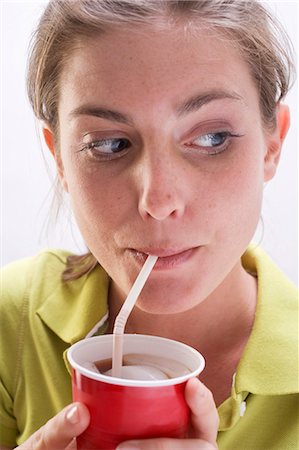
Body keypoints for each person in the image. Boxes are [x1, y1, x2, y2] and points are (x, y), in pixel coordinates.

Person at [0, 0, 298, 449]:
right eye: (109, 144)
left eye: (212, 138)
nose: (158, 201)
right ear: (59, 156)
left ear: (271, 144)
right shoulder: (11, 324)